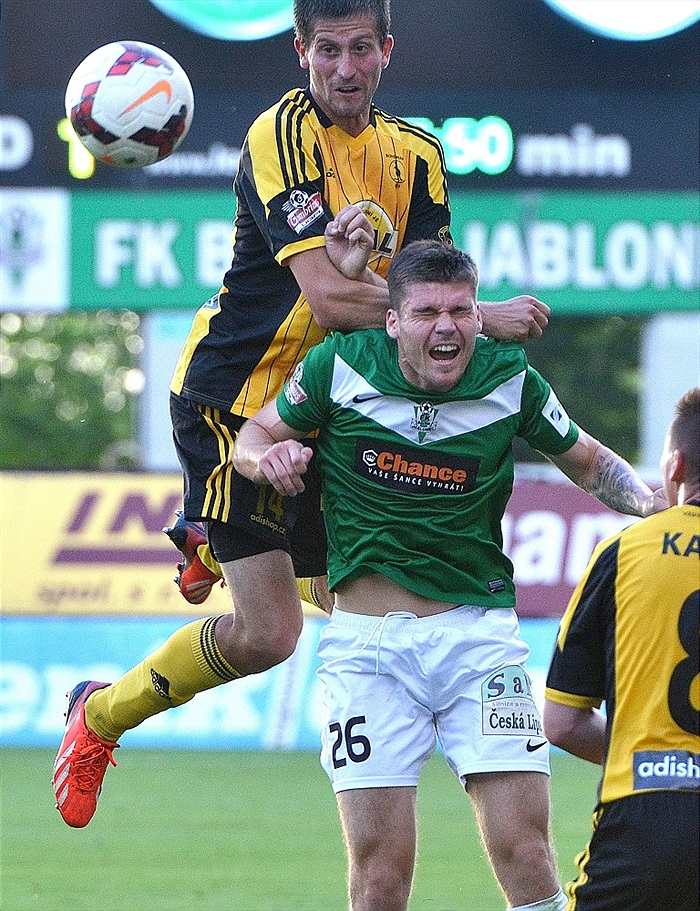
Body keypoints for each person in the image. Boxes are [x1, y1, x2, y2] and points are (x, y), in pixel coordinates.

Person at [52, 0, 550, 830]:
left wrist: (439, 338)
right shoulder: (279, 135)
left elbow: (414, 302)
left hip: (331, 408)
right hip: (237, 400)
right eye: (327, 50)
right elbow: (330, 295)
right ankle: (99, 713)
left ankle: (214, 537)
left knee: (368, 594)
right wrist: (482, 316)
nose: (344, 68)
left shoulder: (419, 155)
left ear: (387, 51)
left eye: (360, 49)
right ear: (300, 52)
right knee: (272, 633)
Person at [231, 239, 666, 911]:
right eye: (427, 312)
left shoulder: (508, 378)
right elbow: (251, 438)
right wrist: (269, 460)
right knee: (380, 876)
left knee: (527, 853)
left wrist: (655, 506)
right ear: (393, 321)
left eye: (461, 311)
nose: (447, 327)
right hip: (366, 652)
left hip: (479, 643)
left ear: (477, 315)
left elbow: (586, 459)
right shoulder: (338, 365)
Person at [543, 387, 700, 911]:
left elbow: (562, 723)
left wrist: (650, 754)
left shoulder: (623, 551)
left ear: (675, 467)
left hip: (645, 819)